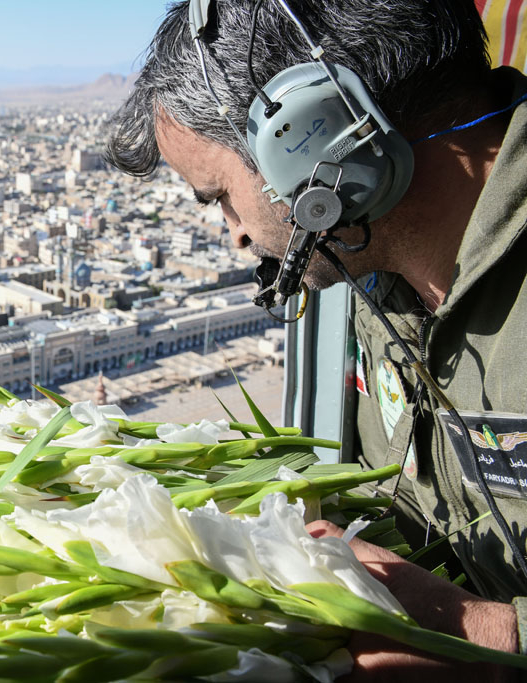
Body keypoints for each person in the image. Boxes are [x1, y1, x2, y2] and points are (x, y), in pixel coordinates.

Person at [106, 0, 527, 679]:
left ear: (315, 135)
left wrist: (487, 632)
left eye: (218, 196)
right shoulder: (376, 271)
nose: (236, 233)